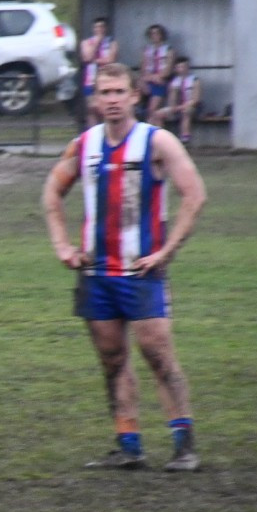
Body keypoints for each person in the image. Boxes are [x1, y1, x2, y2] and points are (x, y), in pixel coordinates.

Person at [43, 63, 209, 472]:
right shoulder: (84, 145)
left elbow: (195, 196)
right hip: (97, 274)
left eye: (119, 91)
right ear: (96, 99)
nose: (113, 99)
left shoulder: (158, 142)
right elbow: (51, 192)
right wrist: (62, 244)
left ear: (135, 95)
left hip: (141, 271)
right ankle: (128, 444)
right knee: (112, 359)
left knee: (157, 353)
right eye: (105, 92)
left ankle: (184, 445)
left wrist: (167, 251)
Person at [78, 17, 116, 127]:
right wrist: (97, 42)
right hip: (90, 80)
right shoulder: (86, 42)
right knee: (91, 109)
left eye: (101, 27)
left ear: (105, 28)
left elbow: (111, 60)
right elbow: (87, 57)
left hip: (106, 79)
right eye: (96, 27)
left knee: (103, 108)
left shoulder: (111, 43)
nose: (99, 29)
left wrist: (96, 60)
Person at [160, 55, 201, 144]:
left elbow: (196, 99)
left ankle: (185, 137)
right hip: (177, 106)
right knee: (157, 114)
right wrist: (172, 108)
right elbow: (172, 100)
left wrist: (181, 107)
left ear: (188, 67)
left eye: (184, 67)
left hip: (192, 106)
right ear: (176, 68)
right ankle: (160, 139)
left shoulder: (195, 80)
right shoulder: (174, 82)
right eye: (179, 67)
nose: (182, 69)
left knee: (186, 111)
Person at [139, 23, 173, 122]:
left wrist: (158, 77)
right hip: (149, 80)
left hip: (161, 81)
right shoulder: (146, 50)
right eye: (152, 34)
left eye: (157, 33)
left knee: (152, 109)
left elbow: (168, 70)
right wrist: (151, 77)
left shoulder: (169, 50)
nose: (155, 36)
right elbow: (143, 68)